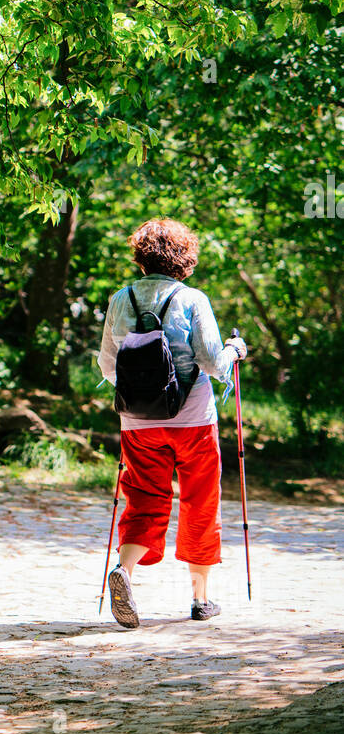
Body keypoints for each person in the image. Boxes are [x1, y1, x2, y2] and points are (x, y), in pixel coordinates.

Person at [97, 218, 247, 628]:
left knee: (143, 496)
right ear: (184, 259)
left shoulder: (120, 299)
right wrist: (236, 349)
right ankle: (200, 598)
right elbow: (215, 363)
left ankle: (124, 572)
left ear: (141, 257)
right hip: (194, 419)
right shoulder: (192, 299)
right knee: (200, 500)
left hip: (137, 422)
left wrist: (140, 394)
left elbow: (107, 365)